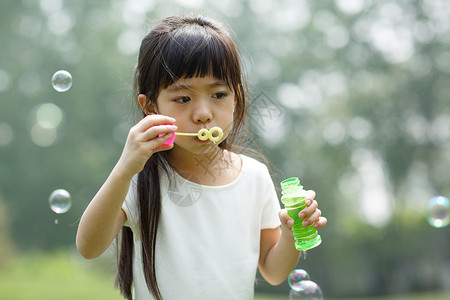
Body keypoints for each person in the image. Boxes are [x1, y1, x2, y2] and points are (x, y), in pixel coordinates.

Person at [76, 14, 327, 300]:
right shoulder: (139, 177)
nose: (203, 114)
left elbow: (273, 271)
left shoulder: (254, 177)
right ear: (150, 107)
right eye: (183, 99)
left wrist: (292, 233)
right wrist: (124, 169)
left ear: (237, 98)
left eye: (218, 95)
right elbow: (89, 247)